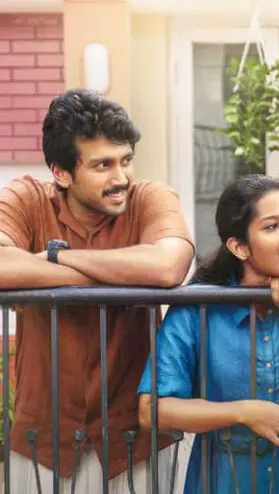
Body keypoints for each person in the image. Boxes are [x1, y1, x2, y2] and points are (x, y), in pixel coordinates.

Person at [0, 89, 194, 493]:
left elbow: (168, 266)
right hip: (43, 443)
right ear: (61, 173)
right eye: (103, 165)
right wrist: (122, 274)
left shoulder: (151, 198)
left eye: (126, 160)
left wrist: (58, 258)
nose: (120, 178)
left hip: (137, 442)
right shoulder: (26, 198)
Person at [137, 174, 279, 493]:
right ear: (239, 246)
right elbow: (151, 411)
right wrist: (242, 413)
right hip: (224, 480)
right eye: (272, 226)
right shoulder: (198, 307)